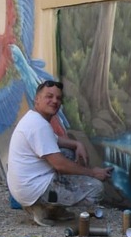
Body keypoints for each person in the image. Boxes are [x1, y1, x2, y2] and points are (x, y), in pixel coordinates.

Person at [7, 79, 112, 227]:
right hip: (33, 190)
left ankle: (52, 208)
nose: (55, 101)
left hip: (24, 187)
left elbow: (55, 140)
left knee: (67, 152)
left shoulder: (33, 118)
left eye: (58, 98)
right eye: (49, 96)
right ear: (37, 99)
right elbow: (59, 165)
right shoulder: (38, 126)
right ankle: (43, 209)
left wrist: (77, 144)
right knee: (96, 189)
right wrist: (93, 173)